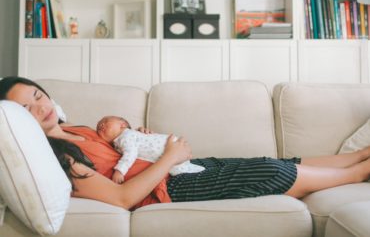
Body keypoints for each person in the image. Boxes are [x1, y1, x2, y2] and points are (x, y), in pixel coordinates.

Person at [1, 76, 370, 211]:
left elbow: (118, 153)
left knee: (261, 160)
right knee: (270, 171)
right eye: (26, 107)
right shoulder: (57, 157)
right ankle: (359, 174)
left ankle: (357, 156)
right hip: (167, 189)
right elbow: (122, 198)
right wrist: (170, 157)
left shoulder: (77, 130)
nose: (41, 106)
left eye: (39, 94)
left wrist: (137, 141)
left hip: (172, 169)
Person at [96, 115, 205, 184]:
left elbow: (131, 153)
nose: (101, 124)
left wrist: (120, 171)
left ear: (122, 125)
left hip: (168, 148)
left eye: (106, 121)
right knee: (187, 169)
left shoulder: (125, 136)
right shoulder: (120, 141)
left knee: (181, 171)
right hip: (170, 151)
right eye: (98, 127)